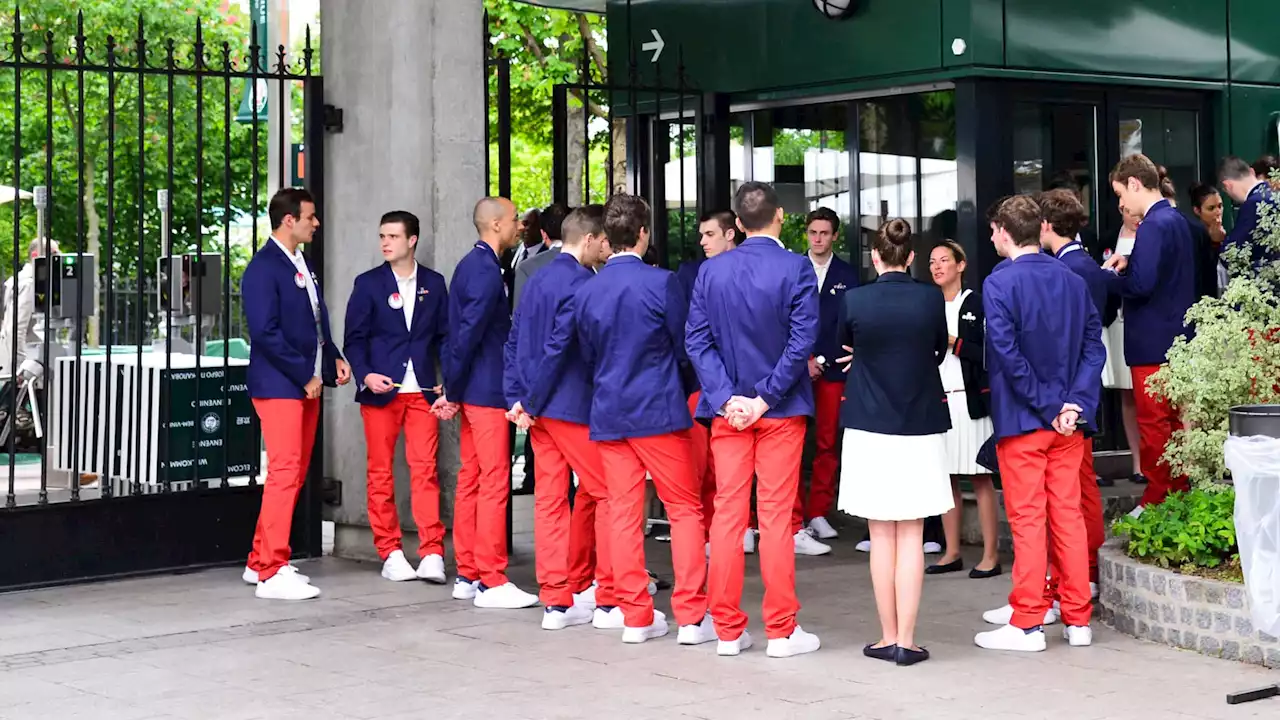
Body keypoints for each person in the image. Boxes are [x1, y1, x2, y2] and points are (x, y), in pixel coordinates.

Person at [686, 181, 822, 659]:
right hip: (779, 409)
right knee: (776, 517)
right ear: (780, 216)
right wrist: (764, 398)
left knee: (726, 516)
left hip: (730, 412)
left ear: (738, 225)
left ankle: (726, 629)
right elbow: (802, 340)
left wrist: (727, 399)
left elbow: (696, 342)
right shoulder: (796, 267)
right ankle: (782, 631)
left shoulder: (712, 271)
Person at [574, 193, 710, 645]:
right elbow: (685, 347)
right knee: (685, 510)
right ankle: (691, 616)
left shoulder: (588, 288)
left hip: (610, 408)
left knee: (622, 514)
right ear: (644, 233)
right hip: (657, 408)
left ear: (608, 239)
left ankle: (635, 615)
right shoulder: (663, 283)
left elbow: (588, 353)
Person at [975, 194, 1105, 653]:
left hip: (1025, 419)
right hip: (1068, 422)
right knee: (1067, 517)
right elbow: (1095, 348)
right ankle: (1077, 619)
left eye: (993, 230)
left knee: (1029, 520)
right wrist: (1073, 404)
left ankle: (1028, 620)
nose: (991, 237)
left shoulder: (999, 281)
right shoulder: (1072, 278)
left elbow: (1007, 355)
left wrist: (1051, 405)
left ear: (1006, 233)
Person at [834, 218, 952, 666]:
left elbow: (843, 346)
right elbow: (939, 349)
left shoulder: (856, 299)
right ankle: (908, 638)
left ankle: (886, 636)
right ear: (912, 257)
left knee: (881, 535)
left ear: (875, 257)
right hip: (920, 422)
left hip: (868, 423)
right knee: (914, 533)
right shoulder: (929, 297)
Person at [505, 205, 620, 631]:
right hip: (568, 405)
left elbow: (515, 337)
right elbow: (560, 347)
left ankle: (556, 599)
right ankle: (608, 597)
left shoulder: (536, 275)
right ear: (588, 239)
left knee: (550, 501)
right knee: (607, 493)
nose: (605, 250)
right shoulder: (580, 281)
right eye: (603, 242)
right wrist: (529, 400)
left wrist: (517, 397)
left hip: (539, 411)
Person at [241, 187, 351, 600]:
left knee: (293, 472)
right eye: (310, 216)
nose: (316, 223)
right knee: (285, 473)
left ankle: (260, 560)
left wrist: (333, 357)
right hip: (280, 385)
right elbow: (265, 333)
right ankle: (272, 570)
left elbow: (314, 322)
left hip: (303, 382)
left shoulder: (299, 262)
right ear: (289, 220)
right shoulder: (263, 268)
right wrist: (305, 375)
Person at [343, 211, 452, 584]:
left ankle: (432, 552)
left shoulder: (434, 284)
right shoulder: (368, 283)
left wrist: (447, 381)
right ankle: (389, 551)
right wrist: (366, 374)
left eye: (393, 236)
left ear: (412, 240)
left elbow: (445, 338)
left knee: (425, 471)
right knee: (380, 473)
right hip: (381, 393)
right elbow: (354, 339)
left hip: (421, 392)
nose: (385, 243)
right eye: (382, 236)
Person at [445, 196, 539, 609]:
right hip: (485, 389)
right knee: (494, 480)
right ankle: (490, 577)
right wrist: (453, 386)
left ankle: (468, 572)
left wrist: (454, 387)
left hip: (473, 389)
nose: (520, 224)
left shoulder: (473, 264)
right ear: (497, 224)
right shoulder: (484, 270)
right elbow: (467, 334)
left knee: (472, 480)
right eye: (516, 218)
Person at [1103, 156, 1197, 513]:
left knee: (1154, 426)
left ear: (1134, 184)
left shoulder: (1153, 225)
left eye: (1119, 193)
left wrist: (1109, 277)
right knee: (1171, 424)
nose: (1121, 204)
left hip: (1152, 343)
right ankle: (1175, 492)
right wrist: (1130, 265)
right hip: (1176, 338)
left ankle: (1157, 498)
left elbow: (1142, 286)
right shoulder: (1176, 220)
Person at [677, 211, 756, 556]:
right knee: (705, 469)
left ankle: (745, 525)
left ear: (730, 234)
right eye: (701, 234)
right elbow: (689, 334)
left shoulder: (754, 269)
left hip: (755, 390)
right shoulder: (691, 273)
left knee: (743, 473)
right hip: (703, 385)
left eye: (709, 234)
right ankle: (711, 532)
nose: (702, 241)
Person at [925, 240, 1001, 580]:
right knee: (947, 479)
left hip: (971, 400)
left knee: (980, 477)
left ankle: (990, 554)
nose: (938, 266)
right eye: (932, 262)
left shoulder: (978, 304)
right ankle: (951, 551)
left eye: (945, 260)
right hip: (940, 398)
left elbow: (988, 351)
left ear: (961, 264)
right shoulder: (927, 305)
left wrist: (956, 343)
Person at [796, 207, 859, 549]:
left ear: (835, 236)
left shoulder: (848, 274)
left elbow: (849, 324)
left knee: (827, 442)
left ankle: (818, 511)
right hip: (794, 370)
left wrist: (822, 359)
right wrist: (804, 359)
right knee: (790, 443)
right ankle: (791, 517)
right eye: (813, 232)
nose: (818, 239)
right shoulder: (792, 268)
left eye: (824, 233)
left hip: (833, 368)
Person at [1218, 155, 1278, 276]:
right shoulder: (1275, 193)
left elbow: (1231, 255)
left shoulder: (1253, 204)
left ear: (1227, 185)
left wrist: (1220, 242)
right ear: (1251, 171)